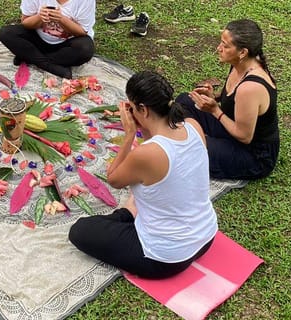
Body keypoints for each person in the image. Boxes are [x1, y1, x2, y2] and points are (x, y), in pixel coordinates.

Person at [69, 71, 216, 279]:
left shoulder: (147, 154)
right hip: (206, 237)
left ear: (143, 110)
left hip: (166, 258)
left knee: (81, 230)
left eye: (132, 108)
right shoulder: (193, 126)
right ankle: (130, 213)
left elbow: (113, 178)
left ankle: (127, 214)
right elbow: (161, 144)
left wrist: (129, 135)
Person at [177, 19, 279, 180]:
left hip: (253, 154)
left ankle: (197, 139)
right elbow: (233, 97)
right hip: (231, 127)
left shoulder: (251, 87)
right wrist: (215, 96)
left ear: (243, 52)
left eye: (225, 45)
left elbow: (244, 136)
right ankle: (199, 137)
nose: (219, 48)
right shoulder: (240, 63)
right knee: (184, 100)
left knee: (189, 149)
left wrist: (215, 110)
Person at [0, 0, 96, 79]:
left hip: (66, 44)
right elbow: (25, 22)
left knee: (85, 48)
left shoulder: (86, 1)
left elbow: (82, 32)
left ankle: (30, 57)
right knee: (6, 33)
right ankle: (50, 66)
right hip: (38, 39)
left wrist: (61, 19)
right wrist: (39, 17)